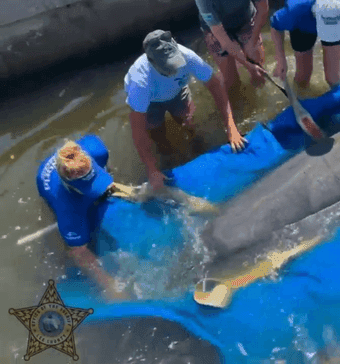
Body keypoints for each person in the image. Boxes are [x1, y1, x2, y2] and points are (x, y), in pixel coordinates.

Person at [125, 29, 247, 191]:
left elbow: (215, 85)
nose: (174, 69)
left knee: (190, 124)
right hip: (151, 103)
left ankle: (197, 149)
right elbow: (138, 130)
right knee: (162, 142)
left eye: (176, 64)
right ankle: (166, 163)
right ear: (152, 62)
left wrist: (231, 127)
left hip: (178, 91)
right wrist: (151, 169)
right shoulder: (140, 82)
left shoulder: (187, 56)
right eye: (169, 68)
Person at [37, 137, 128, 300]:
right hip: (53, 187)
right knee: (77, 242)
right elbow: (79, 252)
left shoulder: (96, 150)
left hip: (73, 158)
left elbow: (107, 168)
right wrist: (109, 285)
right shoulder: (67, 209)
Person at [194, 0, 268, 90]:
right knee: (231, 82)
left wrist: (253, 41)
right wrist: (247, 64)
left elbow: (263, 6)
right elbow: (223, 39)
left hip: (245, 19)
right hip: (215, 29)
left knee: (259, 70)